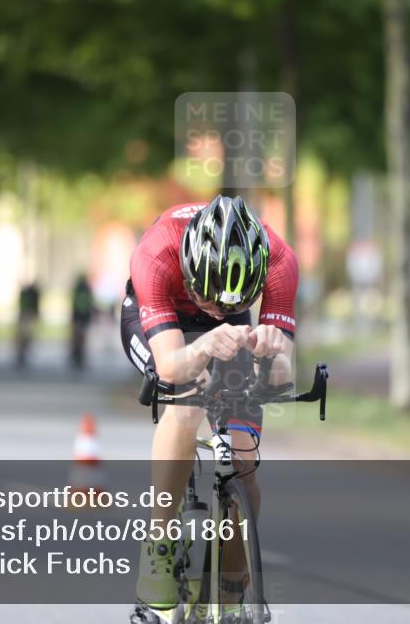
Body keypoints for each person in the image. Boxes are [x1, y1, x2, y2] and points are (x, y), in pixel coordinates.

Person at [121, 196, 297, 623]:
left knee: (244, 456)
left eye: (227, 303)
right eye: (209, 299)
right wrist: (200, 344)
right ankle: (159, 545)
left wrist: (268, 354)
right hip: (163, 323)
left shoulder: (279, 262)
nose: (216, 310)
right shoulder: (155, 255)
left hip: (236, 328)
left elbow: (281, 379)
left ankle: (232, 584)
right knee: (186, 401)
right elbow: (169, 364)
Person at [70, 273, 94, 370]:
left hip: (79, 318)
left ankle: (78, 356)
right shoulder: (86, 290)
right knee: (80, 339)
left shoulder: (79, 290)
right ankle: (78, 356)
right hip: (83, 318)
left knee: (78, 338)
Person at [15, 282, 41, 369]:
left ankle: (23, 352)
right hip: (26, 316)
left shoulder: (28, 293)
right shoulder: (29, 294)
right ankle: (22, 353)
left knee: (26, 336)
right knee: (24, 336)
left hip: (26, 316)